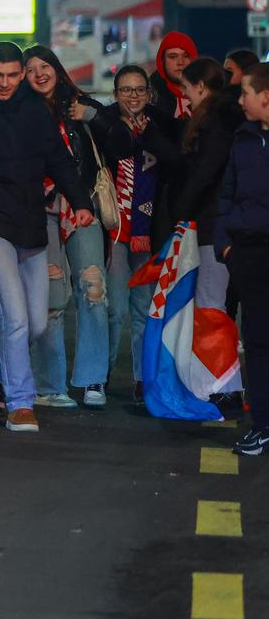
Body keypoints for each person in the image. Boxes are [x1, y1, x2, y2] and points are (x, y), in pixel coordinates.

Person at [0, 42, 95, 433]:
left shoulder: (36, 109)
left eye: (12, 75)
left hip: (32, 225)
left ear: (21, 73)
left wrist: (81, 201)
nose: (5, 83)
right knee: (16, 318)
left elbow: (58, 157)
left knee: (35, 323)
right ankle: (20, 403)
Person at [22, 45, 112, 409]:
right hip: (39, 211)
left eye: (45, 66)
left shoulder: (81, 105)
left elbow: (119, 142)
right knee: (50, 298)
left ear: (58, 69)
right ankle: (49, 386)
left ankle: (93, 380)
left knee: (93, 288)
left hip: (82, 208)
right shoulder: (21, 111)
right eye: (31, 69)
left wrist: (93, 116)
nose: (39, 73)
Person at [94, 65, 179, 403]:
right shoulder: (106, 124)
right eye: (126, 90)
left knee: (144, 309)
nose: (133, 96)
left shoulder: (161, 123)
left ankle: (143, 380)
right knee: (114, 309)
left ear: (149, 93)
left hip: (149, 231)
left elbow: (176, 162)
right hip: (115, 231)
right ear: (115, 94)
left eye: (139, 89)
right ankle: (99, 376)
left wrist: (152, 137)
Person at [215, 64, 269, 456]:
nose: (240, 100)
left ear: (265, 96)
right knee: (258, 343)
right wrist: (226, 245)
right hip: (249, 253)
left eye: (245, 92)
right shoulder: (244, 139)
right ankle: (263, 426)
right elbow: (226, 196)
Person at [173, 58, 243, 330]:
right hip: (215, 223)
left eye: (187, 87)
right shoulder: (222, 120)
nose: (183, 93)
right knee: (211, 302)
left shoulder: (215, 124)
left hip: (213, 225)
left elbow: (204, 174)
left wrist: (180, 212)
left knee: (209, 304)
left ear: (201, 86)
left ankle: (215, 372)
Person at [150, 30, 198, 127]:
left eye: (186, 56)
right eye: (173, 57)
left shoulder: (208, 96)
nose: (180, 62)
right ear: (162, 61)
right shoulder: (150, 97)